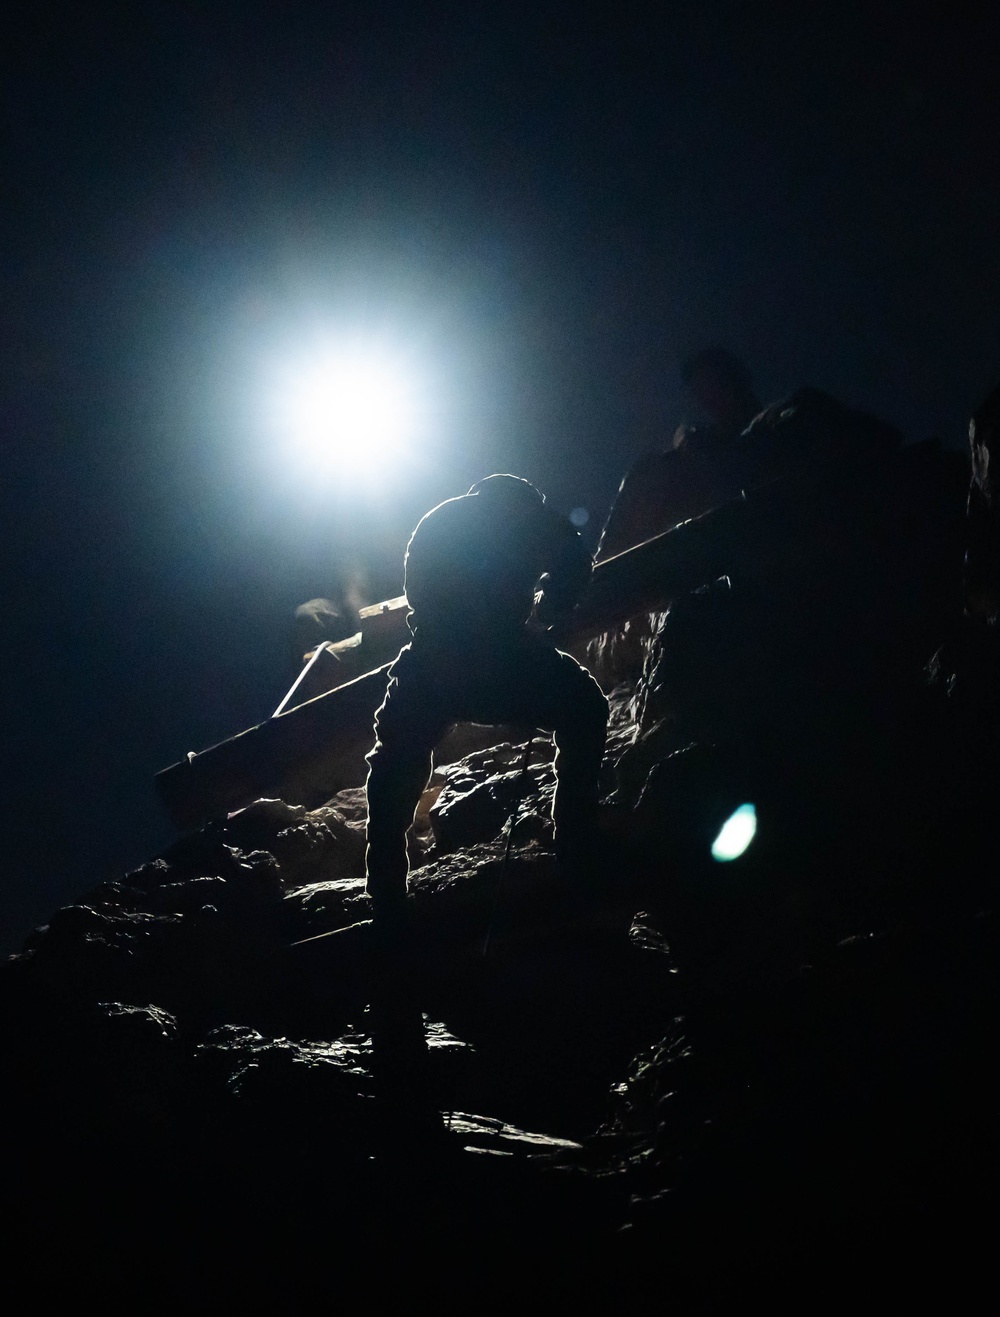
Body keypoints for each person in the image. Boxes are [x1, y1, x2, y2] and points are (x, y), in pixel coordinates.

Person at [364, 474, 609, 928]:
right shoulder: (526, 516)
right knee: (585, 707)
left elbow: (417, 590)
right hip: (504, 659)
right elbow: (575, 558)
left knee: (395, 760)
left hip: (431, 664)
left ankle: (385, 894)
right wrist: (553, 609)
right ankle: (575, 845)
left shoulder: (437, 518)